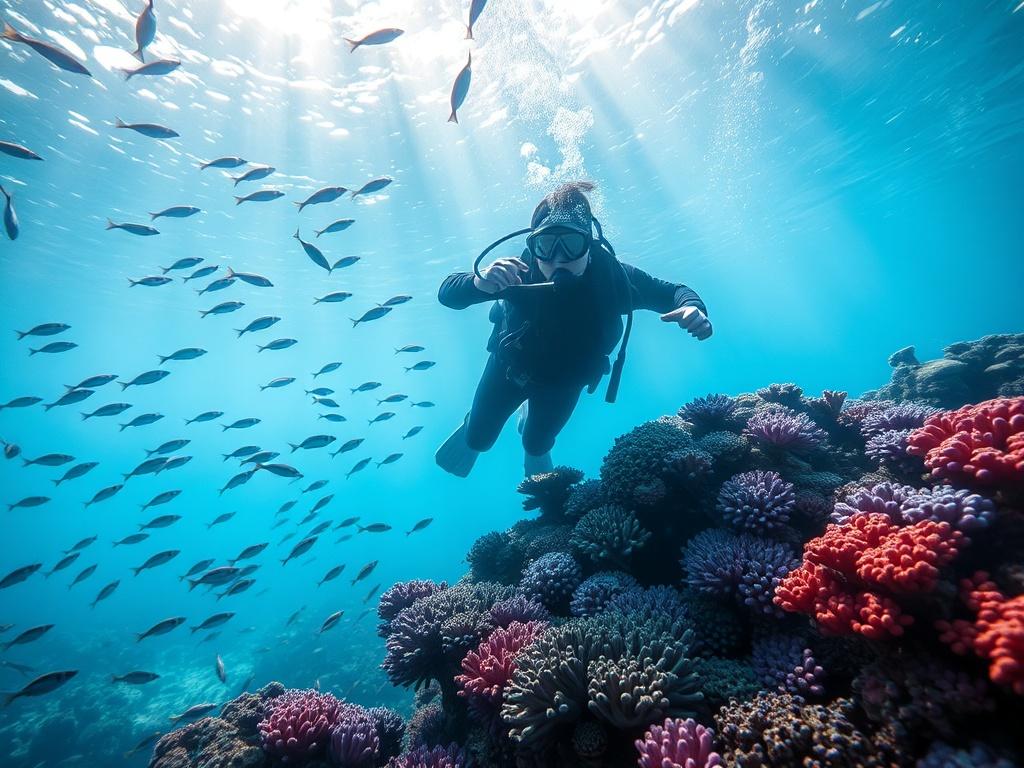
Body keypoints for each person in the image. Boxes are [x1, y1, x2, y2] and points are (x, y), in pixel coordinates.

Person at [434, 181, 712, 477]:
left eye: (572, 244)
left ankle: (529, 430)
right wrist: (479, 282)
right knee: (478, 439)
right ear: (533, 246)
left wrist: (693, 308)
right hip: (508, 371)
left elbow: (674, 292)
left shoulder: (613, 280)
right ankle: (475, 423)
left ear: (590, 246)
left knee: (537, 444)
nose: (558, 259)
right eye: (545, 245)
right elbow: (448, 293)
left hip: (564, 383)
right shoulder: (516, 274)